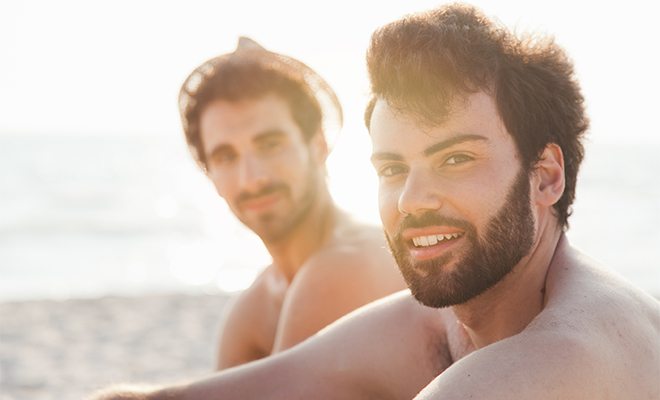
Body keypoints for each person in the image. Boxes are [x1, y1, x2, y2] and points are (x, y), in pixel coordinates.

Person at [91, 4, 660, 399]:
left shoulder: (563, 355)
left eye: (455, 160)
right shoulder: (444, 321)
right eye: (392, 168)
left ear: (545, 177)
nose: (412, 200)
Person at [177, 37, 405, 369]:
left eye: (270, 144)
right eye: (226, 157)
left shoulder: (348, 263)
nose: (252, 178)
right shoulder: (255, 304)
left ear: (318, 146)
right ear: (211, 176)